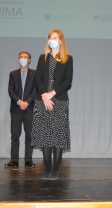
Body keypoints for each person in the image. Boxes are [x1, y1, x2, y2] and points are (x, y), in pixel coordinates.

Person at [32, 30, 73, 180]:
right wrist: (45, 96)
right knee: (44, 136)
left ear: (61, 41)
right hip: (42, 100)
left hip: (59, 100)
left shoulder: (68, 59)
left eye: (55, 38)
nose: (52, 40)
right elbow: (37, 80)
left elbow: (67, 82)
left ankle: (56, 168)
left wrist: (52, 94)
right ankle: (47, 168)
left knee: (58, 136)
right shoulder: (42, 58)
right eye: (50, 38)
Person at [5, 51, 36, 168]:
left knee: (30, 136)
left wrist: (27, 102)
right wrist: (19, 102)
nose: (23, 59)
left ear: (29, 60)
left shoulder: (35, 74)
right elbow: (10, 90)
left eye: (26, 57)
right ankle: (14, 160)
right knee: (15, 135)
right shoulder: (13, 74)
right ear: (18, 59)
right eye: (21, 57)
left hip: (30, 109)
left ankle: (28, 160)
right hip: (16, 109)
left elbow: (35, 90)